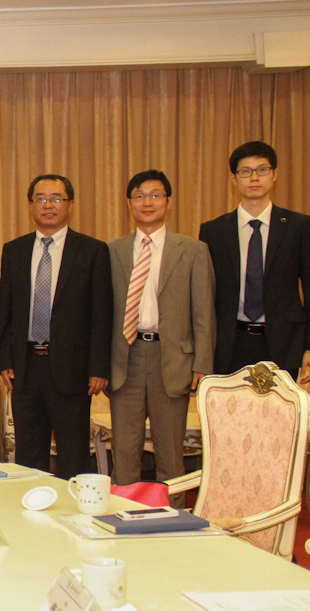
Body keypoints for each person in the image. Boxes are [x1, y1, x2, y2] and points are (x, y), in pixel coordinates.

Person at [0, 174, 111, 479]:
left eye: (56, 198)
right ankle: (29, 507)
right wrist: (5, 360)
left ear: (70, 205)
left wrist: (98, 367)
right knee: (28, 456)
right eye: (41, 199)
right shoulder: (14, 250)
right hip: (25, 369)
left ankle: (72, 508)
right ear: (31, 205)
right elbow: (6, 310)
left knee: (73, 456)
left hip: (72, 369)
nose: (48, 205)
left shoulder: (92, 251)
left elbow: (101, 314)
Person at [108, 171, 215, 494]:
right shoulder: (112, 251)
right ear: (129, 203)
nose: (147, 202)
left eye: (155, 195)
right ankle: (123, 513)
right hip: (125, 358)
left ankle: (173, 517)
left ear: (168, 201)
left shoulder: (193, 250)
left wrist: (202, 364)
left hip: (172, 360)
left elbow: (204, 312)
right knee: (124, 453)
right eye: (140, 195)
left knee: (170, 455)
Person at [199, 141, 310, 383]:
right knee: (230, 409)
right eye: (245, 171)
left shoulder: (298, 226)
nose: (254, 178)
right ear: (234, 178)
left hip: (285, 343)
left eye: (262, 170)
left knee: (280, 409)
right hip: (229, 343)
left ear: (274, 174)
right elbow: (204, 297)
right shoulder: (213, 231)